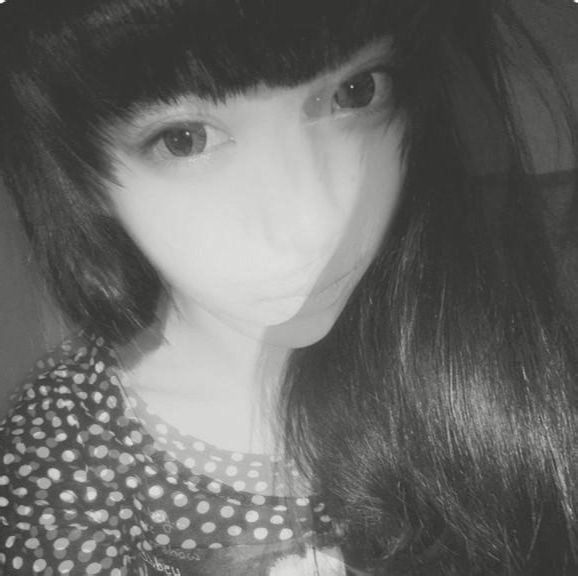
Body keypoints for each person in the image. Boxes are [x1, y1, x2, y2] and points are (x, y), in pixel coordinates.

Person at [0, 0, 576, 574]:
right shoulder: (61, 450)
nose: (314, 224)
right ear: (81, 177)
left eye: (355, 92)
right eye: (185, 139)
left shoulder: (466, 339)